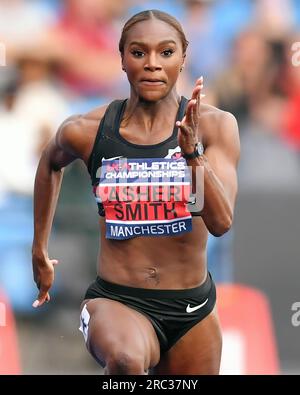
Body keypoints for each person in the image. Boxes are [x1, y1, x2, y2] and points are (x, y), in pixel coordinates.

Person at [31, 9, 240, 375]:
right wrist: (39, 250)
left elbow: (221, 222)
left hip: (192, 309)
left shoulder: (215, 126)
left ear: (184, 58)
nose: (153, 64)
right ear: (122, 59)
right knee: (127, 363)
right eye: (139, 53)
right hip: (117, 301)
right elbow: (50, 162)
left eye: (166, 52)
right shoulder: (88, 129)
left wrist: (192, 154)